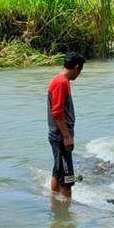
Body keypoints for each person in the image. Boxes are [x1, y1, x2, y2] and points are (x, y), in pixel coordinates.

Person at [47, 52, 85, 199]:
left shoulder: (61, 81)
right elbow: (57, 113)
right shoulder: (61, 82)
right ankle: (66, 214)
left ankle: (55, 203)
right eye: (80, 71)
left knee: (58, 171)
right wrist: (67, 136)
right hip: (60, 136)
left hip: (58, 134)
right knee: (68, 178)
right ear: (76, 67)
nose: (79, 74)